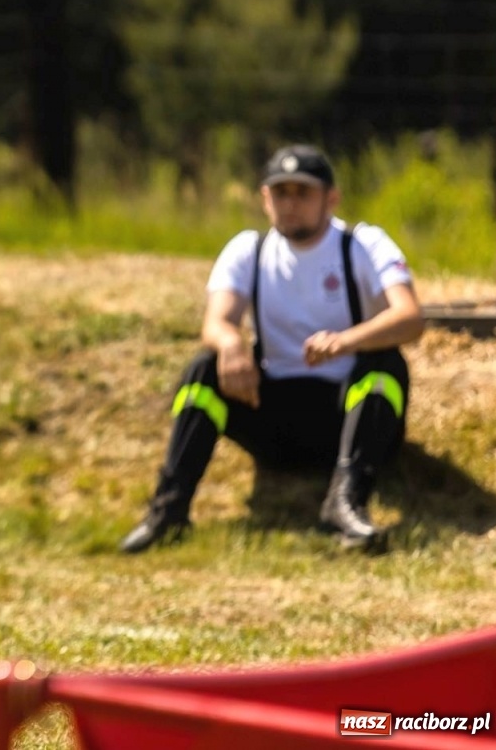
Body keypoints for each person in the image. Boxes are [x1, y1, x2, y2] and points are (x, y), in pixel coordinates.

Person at [120, 144, 425, 554]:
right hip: (276, 418)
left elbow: (410, 318)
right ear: (265, 199)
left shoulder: (363, 244)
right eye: (281, 193)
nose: (291, 204)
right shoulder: (249, 249)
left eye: (303, 192)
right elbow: (216, 321)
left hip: (348, 418)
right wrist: (230, 344)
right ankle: (168, 512)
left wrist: (346, 341)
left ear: (330, 198)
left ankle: (346, 504)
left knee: (386, 365)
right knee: (203, 371)